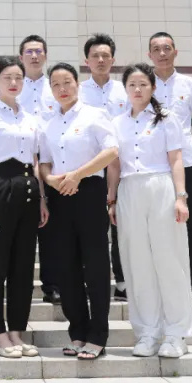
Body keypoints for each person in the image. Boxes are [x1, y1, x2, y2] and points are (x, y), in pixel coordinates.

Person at [107, 63, 192, 358]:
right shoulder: (116, 123)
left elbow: (176, 159)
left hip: (160, 187)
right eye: (132, 84)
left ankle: (176, 333)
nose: (137, 89)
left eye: (143, 84)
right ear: (125, 89)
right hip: (129, 190)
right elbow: (114, 166)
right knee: (137, 262)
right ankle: (147, 332)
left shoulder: (166, 118)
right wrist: (111, 199)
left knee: (168, 258)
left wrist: (181, 197)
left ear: (153, 88)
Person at [39, 62, 119, 361]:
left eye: (67, 82)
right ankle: (78, 332)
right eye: (56, 84)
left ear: (77, 84)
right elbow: (44, 162)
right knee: (66, 267)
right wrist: (50, 180)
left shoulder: (94, 115)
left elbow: (111, 151)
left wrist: (77, 175)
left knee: (95, 266)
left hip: (88, 192)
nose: (62, 88)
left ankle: (98, 335)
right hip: (60, 194)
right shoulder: (48, 123)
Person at [0, 57, 48, 358]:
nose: (14, 83)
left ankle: (17, 330)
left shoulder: (30, 117)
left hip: (28, 190)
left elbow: (36, 161)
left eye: (18, 77)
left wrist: (42, 198)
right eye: (7, 77)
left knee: (23, 266)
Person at [148, 32, 192, 302]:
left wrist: (187, 145)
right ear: (149, 55)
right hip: (153, 165)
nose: (162, 53)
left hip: (185, 164)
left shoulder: (190, 84)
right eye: (156, 49)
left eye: (167, 48)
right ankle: (159, 281)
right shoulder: (144, 84)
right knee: (157, 223)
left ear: (176, 52)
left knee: (191, 222)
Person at [79, 33, 130, 301]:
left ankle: (122, 282)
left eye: (105, 56)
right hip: (89, 170)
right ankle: (92, 281)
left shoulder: (125, 90)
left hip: (123, 168)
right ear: (86, 60)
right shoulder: (78, 91)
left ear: (113, 60)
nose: (100, 60)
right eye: (95, 56)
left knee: (121, 225)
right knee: (91, 229)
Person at [18, 35, 61, 304]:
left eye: (39, 51)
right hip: (21, 166)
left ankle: (52, 284)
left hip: (52, 165)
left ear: (45, 55)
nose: (34, 56)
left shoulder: (55, 86)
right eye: (29, 52)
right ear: (21, 57)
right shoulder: (14, 86)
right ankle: (19, 286)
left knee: (51, 230)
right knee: (22, 230)